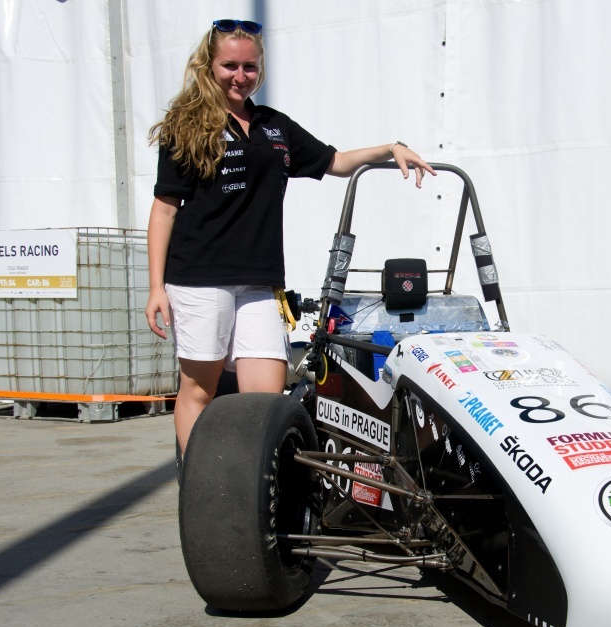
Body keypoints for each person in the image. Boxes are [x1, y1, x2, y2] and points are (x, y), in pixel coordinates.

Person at [145, 19, 435, 459]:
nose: (240, 76)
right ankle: (201, 484)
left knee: (264, 400)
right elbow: (165, 210)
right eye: (229, 66)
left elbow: (335, 161)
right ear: (209, 65)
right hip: (201, 276)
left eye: (249, 67)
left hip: (259, 280)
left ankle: (247, 486)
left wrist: (390, 148)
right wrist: (155, 287)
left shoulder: (273, 126)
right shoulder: (186, 125)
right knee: (199, 390)